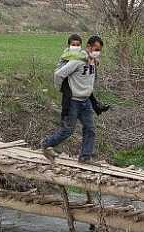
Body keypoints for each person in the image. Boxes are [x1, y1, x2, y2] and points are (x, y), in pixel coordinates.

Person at [42, 35, 104, 164]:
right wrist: (62, 89)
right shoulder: (77, 60)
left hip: (85, 100)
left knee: (90, 128)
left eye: (100, 50)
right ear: (88, 47)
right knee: (68, 130)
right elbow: (58, 74)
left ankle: (85, 157)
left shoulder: (93, 61)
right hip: (73, 101)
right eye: (96, 49)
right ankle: (47, 143)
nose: (97, 52)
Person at [56, 34, 110, 124]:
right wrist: (59, 88)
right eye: (73, 45)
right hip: (64, 77)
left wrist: (93, 59)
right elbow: (73, 58)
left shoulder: (82, 54)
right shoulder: (67, 53)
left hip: (72, 77)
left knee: (89, 92)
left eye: (78, 45)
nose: (76, 47)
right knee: (67, 96)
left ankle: (96, 106)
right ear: (68, 45)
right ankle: (64, 115)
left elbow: (83, 55)